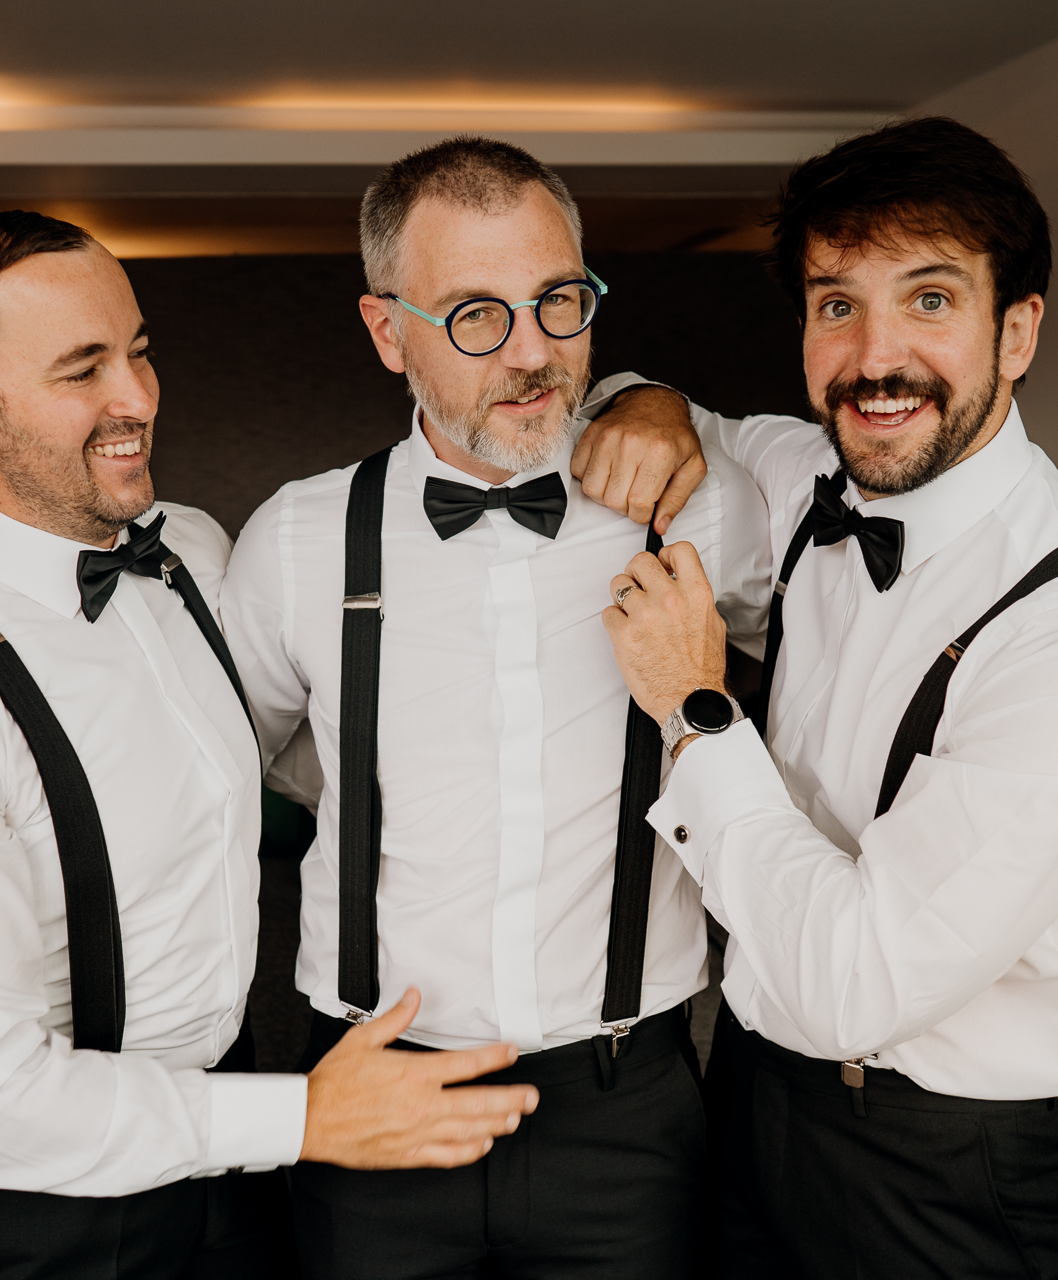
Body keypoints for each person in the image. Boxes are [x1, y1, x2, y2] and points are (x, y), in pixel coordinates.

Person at [0, 211, 540, 1280]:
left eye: (139, 350)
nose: (138, 399)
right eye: (81, 369)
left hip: (228, 1153)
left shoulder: (188, 548)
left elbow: (281, 757)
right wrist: (305, 1118)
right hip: (38, 1209)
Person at [581, 117, 1058, 1278]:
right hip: (751, 1089)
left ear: (1017, 331)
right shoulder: (809, 467)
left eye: (928, 299)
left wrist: (697, 710)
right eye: (835, 303)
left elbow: (859, 980)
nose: (874, 358)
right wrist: (647, 394)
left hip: (949, 1164)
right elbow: (670, 414)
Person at [222, 137, 771, 1279]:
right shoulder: (295, 541)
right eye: (476, 314)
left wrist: (657, 396)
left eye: (558, 302)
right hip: (376, 1094)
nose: (532, 354)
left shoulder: (697, 512)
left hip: (627, 1105)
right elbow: (241, 772)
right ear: (388, 331)